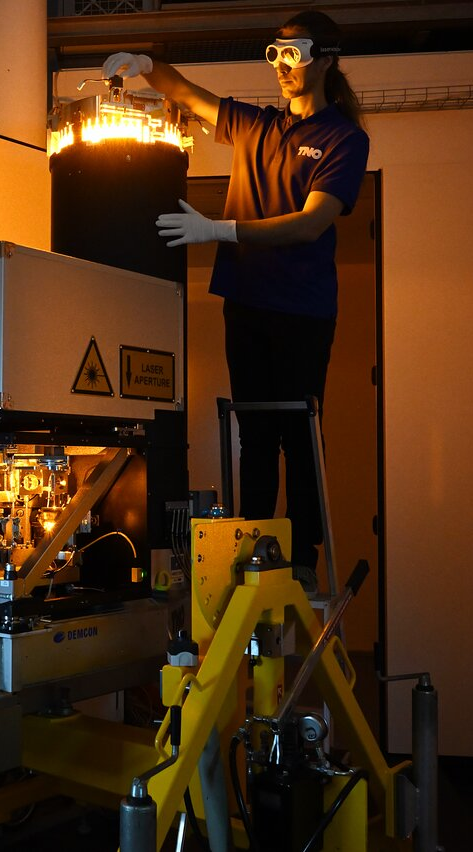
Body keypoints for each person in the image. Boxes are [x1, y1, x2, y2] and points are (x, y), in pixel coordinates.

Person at [104, 10, 369, 586]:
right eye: (275, 54)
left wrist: (222, 231)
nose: (283, 67)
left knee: (298, 432)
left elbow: (309, 224)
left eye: (294, 54)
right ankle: (257, 546)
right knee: (255, 433)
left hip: (301, 308)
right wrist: (148, 66)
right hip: (246, 301)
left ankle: (300, 561)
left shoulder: (343, 138)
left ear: (324, 59)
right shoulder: (257, 126)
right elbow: (191, 95)